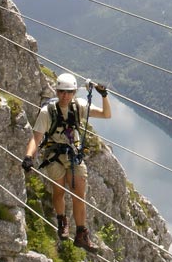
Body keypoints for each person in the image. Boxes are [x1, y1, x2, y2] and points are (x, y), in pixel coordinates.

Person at [22, 72, 111, 252]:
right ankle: (62, 221)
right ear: (56, 91)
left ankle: (81, 233)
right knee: (59, 191)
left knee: (79, 193)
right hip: (54, 154)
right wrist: (29, 157)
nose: (65, 95)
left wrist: (104, 96)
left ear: (73, 93)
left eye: (69, 92)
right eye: (62, 91)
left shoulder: (79, 107)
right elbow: (36, 137)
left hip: (73, 154)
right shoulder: (48, 112)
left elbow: (106, 114)